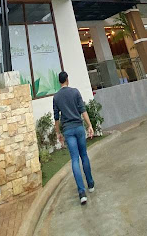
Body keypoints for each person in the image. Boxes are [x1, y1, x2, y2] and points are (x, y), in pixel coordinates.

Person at [53, 71, 95, 205]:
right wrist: (89, 125)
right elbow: (83, 110)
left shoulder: (56, 97)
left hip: (68, 131)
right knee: (84, 155)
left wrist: (58, 133)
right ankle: (90, 184)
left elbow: (56, 118)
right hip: (78, 127)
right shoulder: (75, 92)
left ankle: (82, 193)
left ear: (59, 81)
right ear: (67, 79)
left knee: (75, 159)